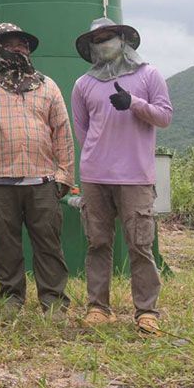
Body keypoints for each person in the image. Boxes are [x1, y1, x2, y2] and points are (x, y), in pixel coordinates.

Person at [0, 23, 75, 313]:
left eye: (22, 44)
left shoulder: (47, 85)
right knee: (4, 244)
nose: (19, 49)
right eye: (11, 45)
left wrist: (64, 175)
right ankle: (11, 297)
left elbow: (62, 131)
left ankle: (54, 301)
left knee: (48, 244)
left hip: (42, 180)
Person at [71, 18, 172, 336]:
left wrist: (135, 104)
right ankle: (98, 307)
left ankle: (147, 312)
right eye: (97, 39)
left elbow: (165, 116)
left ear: (123, 40)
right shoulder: (83, 84)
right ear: (91, 47)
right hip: (95, 175)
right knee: (97, 243)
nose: (104, 43)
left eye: (109, 37)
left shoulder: (149, 75)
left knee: (140, 244)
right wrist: (97, 156)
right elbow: (82, 131)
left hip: (135, 176)